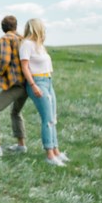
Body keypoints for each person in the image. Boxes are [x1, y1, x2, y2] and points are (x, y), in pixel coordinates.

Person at [19, 18, 69, 167]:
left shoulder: (40, 45)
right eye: (43, 27)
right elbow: (25, 67)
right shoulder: (26, 44)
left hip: (48, 81)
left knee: (53, 118)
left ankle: (56, 151)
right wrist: (33, 85)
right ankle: (49, 155)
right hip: (37, 82)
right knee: (47, 119)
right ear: (37, 28)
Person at [0, 15, 28, 157]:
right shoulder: (22, 39)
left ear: (3, 27)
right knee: (16, 112)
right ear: (15, 26)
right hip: (26, 83)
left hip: (16, 84)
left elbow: (5, 60)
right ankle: (21, 145)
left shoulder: (6, 39)